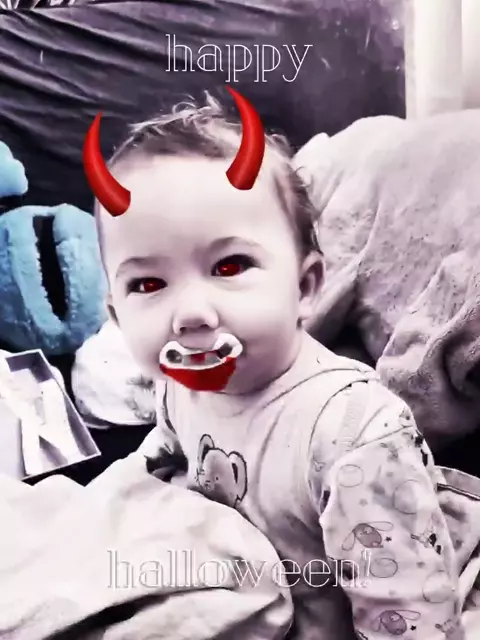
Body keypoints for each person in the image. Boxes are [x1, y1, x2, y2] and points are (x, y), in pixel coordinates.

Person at [93, 92, 466, 640]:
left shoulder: (352, 435)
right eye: (148, 283)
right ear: (116, 316)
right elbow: (168, 455)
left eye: (229, 266)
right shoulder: (177, 386)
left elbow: (410, 615)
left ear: (305, 287)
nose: (190, 314)